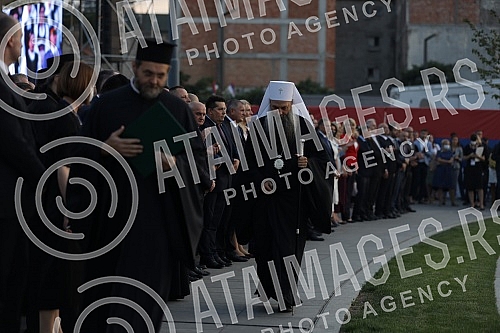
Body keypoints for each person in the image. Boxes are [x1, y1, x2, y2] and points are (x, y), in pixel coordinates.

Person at [68, 38, 208, 333]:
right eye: (148, 74)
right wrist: (105, 149)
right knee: (104, 299)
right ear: (135, 68)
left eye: (160, 75)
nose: (154, 81)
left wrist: (174, 164)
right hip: (108, 220)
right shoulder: (106, 105)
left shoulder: (176, 109)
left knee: (144, 303)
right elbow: (75, 157)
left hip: (155, 222)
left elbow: (198, 166)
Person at [239, 81, 331, 312]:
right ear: (269, 105)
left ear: (292, 104)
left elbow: (322, 161)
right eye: (276, 108)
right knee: (265, 247)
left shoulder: (303, 126)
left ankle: (286, 295)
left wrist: (307, 163)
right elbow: (248, 164)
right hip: (265, 199)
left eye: (284, 108)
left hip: (293, 201)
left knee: (288, 248)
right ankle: (269, 287)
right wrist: (262, 181)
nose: (280, 113)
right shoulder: (258, 128)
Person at [0, 12, 46, 331]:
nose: (23, 42)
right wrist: (44, 179)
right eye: (20, 35)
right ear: (10, 39)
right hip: (6, 203)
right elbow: (15, 144)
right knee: (7, 283)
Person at [463, 134, 486, 210]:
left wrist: (477, 156)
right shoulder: (467, 147)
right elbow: (464, 157)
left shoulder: (481, 147)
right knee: (470, 187)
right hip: (470, 168)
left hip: (478, 168)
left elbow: (484, 158)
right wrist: (470, 156)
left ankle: (481, 204)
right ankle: (472, 204)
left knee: (479, 187)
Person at [432, 139, 454, 205]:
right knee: (440, 186)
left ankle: (453, 202)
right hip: (440, 170)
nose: (447, 145)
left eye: (448, 144)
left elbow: (451, 161)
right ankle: (440, 201)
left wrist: (443, 161)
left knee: (451, 186)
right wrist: (447, 161)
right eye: (445, 144)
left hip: (448, 170)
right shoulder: (439, 152)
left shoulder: (450, 152)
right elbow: (438, 159)